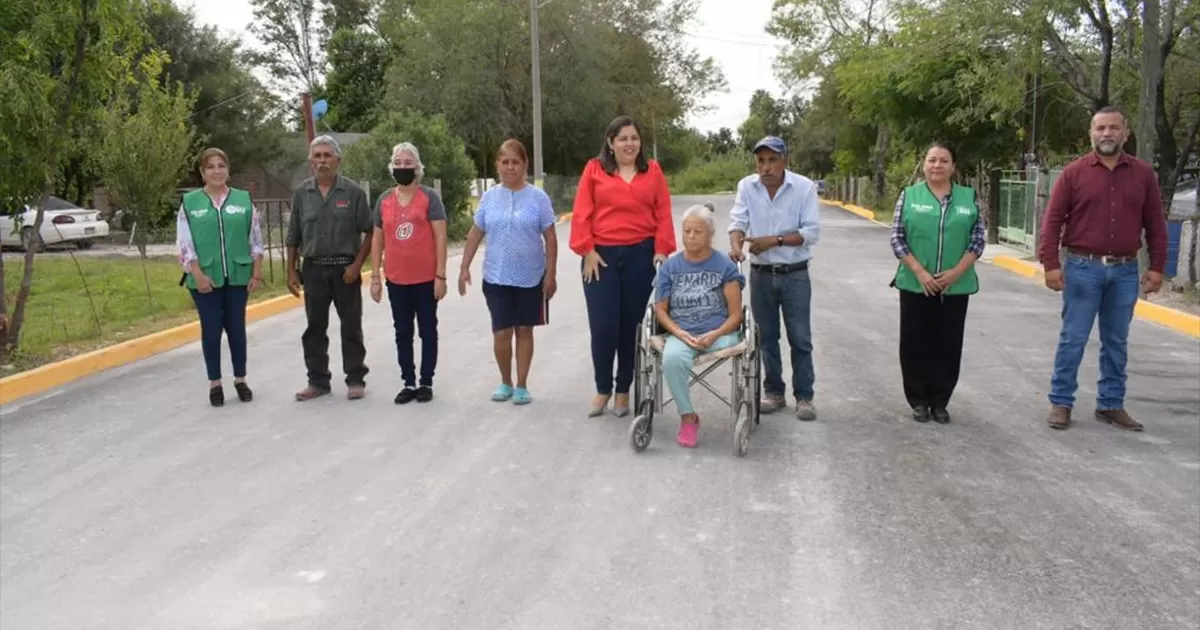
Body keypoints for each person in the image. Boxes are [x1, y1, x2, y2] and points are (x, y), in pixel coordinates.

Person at [1037, 106, 1168, 432]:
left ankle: (1110, 404)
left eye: (1113, 128)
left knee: (1116, 341)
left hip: (1125, 271)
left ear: (1125, 133)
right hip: (1082, 268)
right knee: (1073, 339)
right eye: (1100, 128)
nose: (1107, 134)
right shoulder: (1074, 173)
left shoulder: (1143, 175)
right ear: (1091, 133)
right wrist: (1051, 264)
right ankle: (1061, 401)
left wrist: (1157, 266)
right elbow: (1053, 221)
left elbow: (1155, 223)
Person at [569, 116, 676, 418]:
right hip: (599, 256)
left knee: (630, 327)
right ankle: (603, 388)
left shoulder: (652, 171)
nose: (630, 144)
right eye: (623, 138)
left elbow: (663, 212)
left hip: (639, 256)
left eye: (634, 138)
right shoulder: (594, 170)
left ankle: (622, 390)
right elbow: (581, 213)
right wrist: (587, 249)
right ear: (610, 143)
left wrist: (661, 251)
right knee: (603, 325)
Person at [889, 142, 986, 424]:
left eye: (944, 161)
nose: (937, 165)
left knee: (948, 344)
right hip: (915, 283)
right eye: (932, 160)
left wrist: (956, 272)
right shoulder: (909, 195)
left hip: (955, 286)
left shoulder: (969, 198)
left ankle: (940, 402)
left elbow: (978, 240)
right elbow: (897, 237)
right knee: (914, 343)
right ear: (924, 165)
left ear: (953, 167)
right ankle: (918, 400)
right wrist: (920, 272)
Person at [458, 139, 558, 405]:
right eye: (505, 162)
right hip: (496, 276)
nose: (510, 167)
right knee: (502, 332)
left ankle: (522, 385)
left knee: (525, 330)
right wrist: (464, 266)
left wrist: (551, 273)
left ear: (524, 165)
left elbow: (550, 236)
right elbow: (476, 232)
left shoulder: (538, 198)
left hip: (530, 277)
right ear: (497, 166)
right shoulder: (490, 197)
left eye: (516, 162)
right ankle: (506, 382)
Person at [728, 136, 821, 421]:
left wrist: (774, 241)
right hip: (761, 275)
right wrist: (735, 246)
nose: (766, 167)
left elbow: (810, 233)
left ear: (785, 161)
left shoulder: (804, 187)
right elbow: (738, 222)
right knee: (766, 337)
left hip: (794, 275)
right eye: (761, 161)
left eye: (772, 160)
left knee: (800, 338)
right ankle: (774, 392)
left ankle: (804, 397)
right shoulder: (747, 186)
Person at [286, 135, 374, 401]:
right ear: (311, 161)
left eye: (327, 155)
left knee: (351, 327)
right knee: (314, 328)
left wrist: (357, 266)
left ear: (338, 160)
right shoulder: (302, 194)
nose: (322, 161)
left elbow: (370, 232)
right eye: (317, 156)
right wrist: (291, 271)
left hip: (345, 271)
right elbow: (293, 236)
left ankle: (355, 379)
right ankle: (318, 381)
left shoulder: (353, 193)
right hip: (313, 270)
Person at [176, 147, 265, 407]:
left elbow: (256, 239)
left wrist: (256, 273)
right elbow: (184, 243)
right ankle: (215, 383)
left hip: (238, 277)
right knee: (211, 330)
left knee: (237, 330)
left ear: (228, 170)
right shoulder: (190, 203)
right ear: (203, 172)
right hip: (205, 279)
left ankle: (240, 379)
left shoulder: (244, 200)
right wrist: (197, 274)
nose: (217, 171)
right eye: (211, 166)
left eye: (221, 165)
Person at [654, 203, 745, 448]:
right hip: (681, 334)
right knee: (672, 359)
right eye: (686, 231)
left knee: (726, 340)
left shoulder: (724, 268)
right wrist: (679, 333)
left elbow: (736, 316)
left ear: (711, 234)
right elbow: (660, 310)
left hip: (721, 335)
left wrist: (714, 334)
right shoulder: (670, 268)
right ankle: (688, 417)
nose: (691, 237)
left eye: (698, 231)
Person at [368, 142, 449, 404]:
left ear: (417, 167)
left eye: (408, 163)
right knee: (402, 331)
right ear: (392, 167)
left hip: (425, 279)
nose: (403, 167)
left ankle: (426, 381)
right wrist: (376, 277)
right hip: (396, 279)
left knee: (427, 330)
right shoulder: (384, 200)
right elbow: (377, 240)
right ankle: (408, 382)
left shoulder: (429, 198)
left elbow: (440, 237)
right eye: (398, 163)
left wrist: (441, 275)